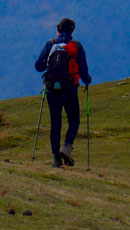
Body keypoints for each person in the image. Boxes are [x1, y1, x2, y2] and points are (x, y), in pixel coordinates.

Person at [34, 17, 91, 167]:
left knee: (55, 123)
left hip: (52, 89)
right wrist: (87, 80)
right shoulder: (76, 46)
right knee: (74, 120)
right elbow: (84, 72)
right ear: (72, 31)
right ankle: (66, 148)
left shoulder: (50, 44)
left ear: (58, 30)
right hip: (70, 90)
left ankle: (55, 159)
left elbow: (38, 66)